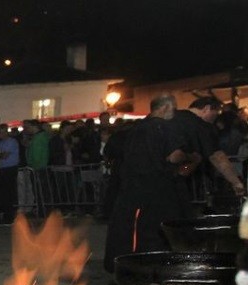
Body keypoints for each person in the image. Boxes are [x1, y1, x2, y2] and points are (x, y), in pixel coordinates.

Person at [103, 94, 188, 271]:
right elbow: (174, 155)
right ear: (165, 108)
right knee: (151, 230)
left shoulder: (134, 129)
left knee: (131, 228)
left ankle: (129, 265)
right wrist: (187, 158)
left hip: (130, 188)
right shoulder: (163, 128)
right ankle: (142, 267)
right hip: (154, 188)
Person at [171, 95, 247, 207]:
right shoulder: (203, 126)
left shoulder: (171, 118)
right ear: (207, 108)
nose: (216, 117)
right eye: (216, 112)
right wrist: (236, 183)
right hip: (189, 186)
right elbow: (217, 156)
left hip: (161, 180)